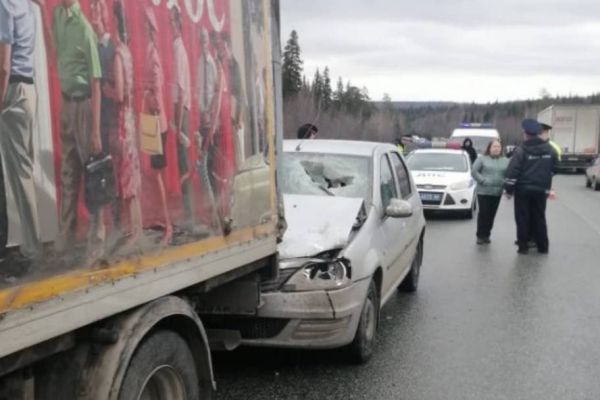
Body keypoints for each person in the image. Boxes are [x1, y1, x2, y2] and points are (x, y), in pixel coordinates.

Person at [36, 0, 106, 259]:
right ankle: (66, 236)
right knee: (68, 173)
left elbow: (96, 82)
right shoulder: (58, 17)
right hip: (67, 104)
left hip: (84, 105)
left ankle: (98, 237)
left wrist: (96, 130)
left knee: (92, 174)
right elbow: (54, 55)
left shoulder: (84, 28)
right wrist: (43, 12)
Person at [0, 0, 42, 264]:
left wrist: (0, 99)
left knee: (19, 175)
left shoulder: (6, 5)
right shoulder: (29, 6)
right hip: (28, 89)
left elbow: (4, 64)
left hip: (12, 91)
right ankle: (31, 244)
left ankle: (32, 248)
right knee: (25, 170)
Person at [102, 0, 142, 246]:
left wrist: (104, 88)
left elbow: (119, 93)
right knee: (133, 183)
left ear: (116, 23)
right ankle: (136, 230)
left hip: (121, 123)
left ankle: (131, 233)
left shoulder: (118, 54)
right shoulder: (128, 52)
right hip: (130, 121)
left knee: (125, 182)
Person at [504, 119, 558, 255]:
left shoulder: (521, 150)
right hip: (542, 189)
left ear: (525, 134)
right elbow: (556, 168)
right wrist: (545, 178)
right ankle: (543, 247)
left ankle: (523, 247)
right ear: (538, 133)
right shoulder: (550, 149)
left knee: (522, 218)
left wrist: (509, 189)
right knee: (540, 217)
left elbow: (513, 171)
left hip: (523, 190)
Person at [143, 6, 172, 244]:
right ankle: (163, 220)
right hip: (153, 121)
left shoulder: (153, 55)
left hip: (155, 122)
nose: (144, 28)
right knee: (153, 175)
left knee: (157, 175)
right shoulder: (151, 52)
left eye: (147, 25)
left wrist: (146, 97)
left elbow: (155, 91)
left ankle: (169, 226)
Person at [169, 4, 195, 230]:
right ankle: (188, 212)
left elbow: (181, 90)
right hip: (180, 111)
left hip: (181, 112)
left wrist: (177, 125)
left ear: (178, 24)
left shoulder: (179, 50)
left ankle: (189, 214)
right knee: (181, 164)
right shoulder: (177, 49)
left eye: (172, 22)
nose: (169, 26)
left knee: (184, 165)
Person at [471, 140, 509, 244]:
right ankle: (480, 235)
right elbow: (474, 171)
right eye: (494, 147)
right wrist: (483, 180)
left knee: (492, 214)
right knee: (484, 213)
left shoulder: (505, 160)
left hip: (497, 192)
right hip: (484, 191)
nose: (496, 149)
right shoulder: (482, 159)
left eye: (498, 147)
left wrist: (505, 184)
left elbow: (509, 174)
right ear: (489, 148)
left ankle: (487, 234)